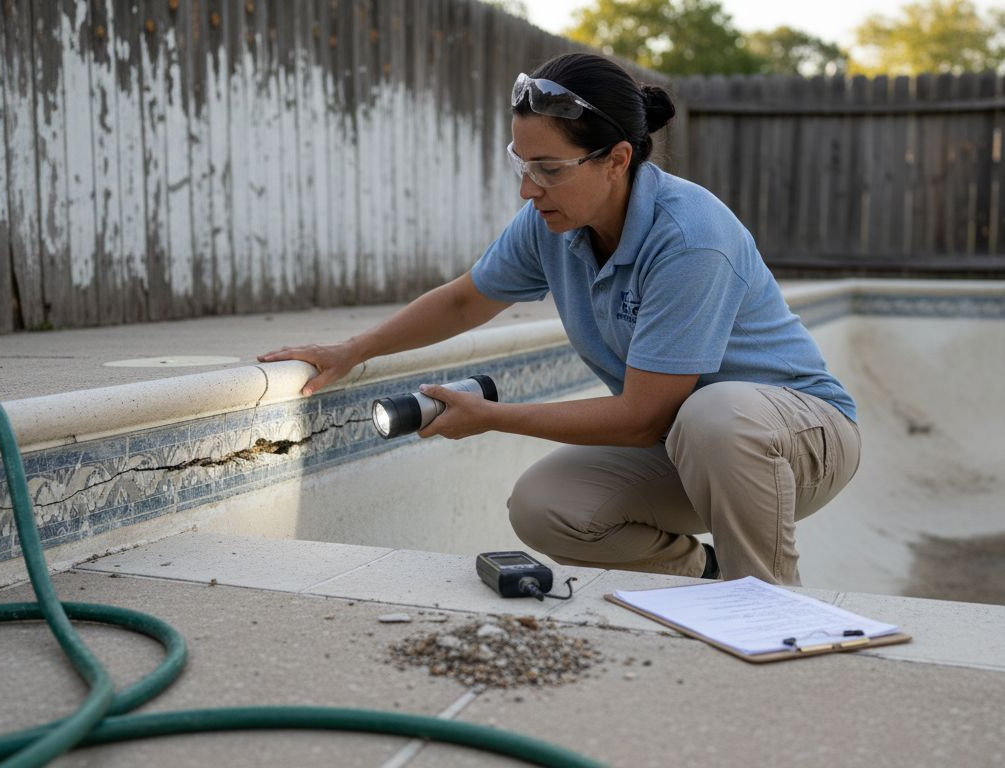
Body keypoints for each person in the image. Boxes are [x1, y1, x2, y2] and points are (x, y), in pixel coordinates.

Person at [258, 52, 859, 585]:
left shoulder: (691, 240)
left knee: (714, 413)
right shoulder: (555, 223)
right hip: (689, 444)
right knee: (547, 506)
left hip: (797, 440)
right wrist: (354, 349)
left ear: (617, 159)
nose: (528, 189)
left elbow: (642, 415)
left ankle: (773, 605)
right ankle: (707, 571)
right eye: (521, 164)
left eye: (548, 169)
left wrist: (494, 417)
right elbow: (468, 299)